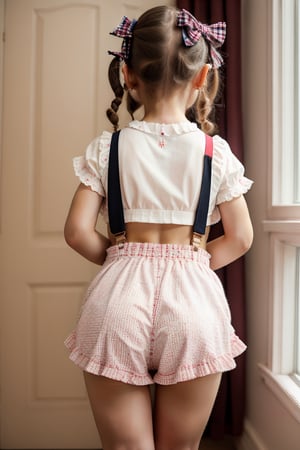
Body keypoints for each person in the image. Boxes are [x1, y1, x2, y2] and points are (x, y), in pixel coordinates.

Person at [64, 5, 253, 450]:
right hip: (194, 304)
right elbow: (241, 237)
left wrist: (119, 254)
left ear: (128, 75)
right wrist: (195, 262)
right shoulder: (215, 152)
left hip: (117, 301)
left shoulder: (107, 148)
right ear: (203, 77)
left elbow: (76, 231)